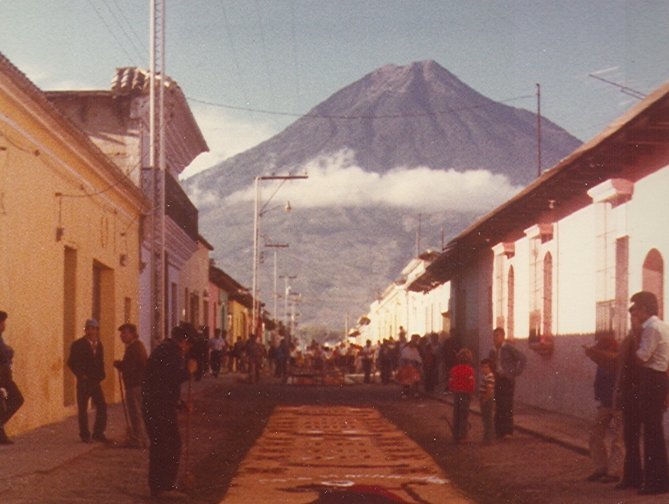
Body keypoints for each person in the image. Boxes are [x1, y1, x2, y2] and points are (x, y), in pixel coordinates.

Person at [142, 325, 197, 500]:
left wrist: (180, 404)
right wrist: (187, 372)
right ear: (184, 341)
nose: (188, 350)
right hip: (158, 408)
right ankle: (163, 487)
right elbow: (171, 378)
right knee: (168, 445)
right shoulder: (171, 353)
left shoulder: (165, 350)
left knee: (164, 445)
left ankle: (160, 487)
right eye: (189, 345)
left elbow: (165, 385)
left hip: (157, 405)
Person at [628, 291, 669, 495]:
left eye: (635, 308)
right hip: (659, 379)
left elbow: (642, 358)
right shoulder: (662, 325)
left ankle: (656, 482)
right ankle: (659, 479)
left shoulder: (650, 328)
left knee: (652, 433)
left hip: (652, 379)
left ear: (644, 309)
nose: (634, 312)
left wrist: (636, 336)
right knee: (655, 432)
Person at [583, 334, 622, 483]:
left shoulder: (618, 361)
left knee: (619, 439)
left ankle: (614, 472)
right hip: (605, 404)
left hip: (619, 404)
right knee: (595, 435)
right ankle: (601, 468)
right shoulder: (602, 362)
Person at [67, 319, 107, 443]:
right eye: (89, 328)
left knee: (102, 406)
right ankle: (84, 435)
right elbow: (71, 362)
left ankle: (98, 433)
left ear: (97, 330)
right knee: (83, 409)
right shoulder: (78, 344)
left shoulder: (99, 345)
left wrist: (101, 375)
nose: (92, 331)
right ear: (86, 330)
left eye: (94, 329)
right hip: (84, 382)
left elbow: (100, 362)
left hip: (95, 382)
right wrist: (80, 375)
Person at [113, 323, 148, 449]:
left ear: (132, 334)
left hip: (134, 386)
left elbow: (130, 368)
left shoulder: (134, 348)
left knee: (135, 413)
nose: (122, 336)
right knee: (139, 413)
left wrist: (119, 365)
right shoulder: (138, 346)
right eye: (121, 333)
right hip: (139, 385)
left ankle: (137, 439)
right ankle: (141, 439)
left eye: (124, 333)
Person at [489, 327, 526, 439]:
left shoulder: (508, 348)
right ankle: (498, 430)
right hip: (497, 379)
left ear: (503, 336)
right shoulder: (492, 351)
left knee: (507, 404)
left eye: (497, 336)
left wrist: (514, 372)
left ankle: (508, 431)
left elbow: (522, 358)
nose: (495, 339)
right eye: (494, 336)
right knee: (499, 404)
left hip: (507, 380)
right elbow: (491, 364)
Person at [0, 311, 24, 444]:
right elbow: (4, 353)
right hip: (1, 376)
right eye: (3, 322)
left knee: (5, 402)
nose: (4, 325)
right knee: (16, 398)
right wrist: (10, 351)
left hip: (4, 375)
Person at [448, 348, 475, 442]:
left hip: (456, 393)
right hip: (466, 394)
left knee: (457, 414)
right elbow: (471, 383)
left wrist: (453, 389)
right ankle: (463, 436)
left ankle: (455, 435)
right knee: (464, 415)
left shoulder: (454, 369)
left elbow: (451, 382)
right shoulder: (470, 370)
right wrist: (472, 393)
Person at [479, 358, 495, 444]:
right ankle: (486, 437)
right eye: (482, 367)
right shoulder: (486, 376)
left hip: (487, 399)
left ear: (490, 368)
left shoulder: (490, 376)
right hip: (484, 398)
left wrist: (485, 399)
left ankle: (489, 438)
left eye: (486, 367)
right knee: (485, 419)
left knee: (488, 419)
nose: (483, 369)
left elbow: (489, 389)